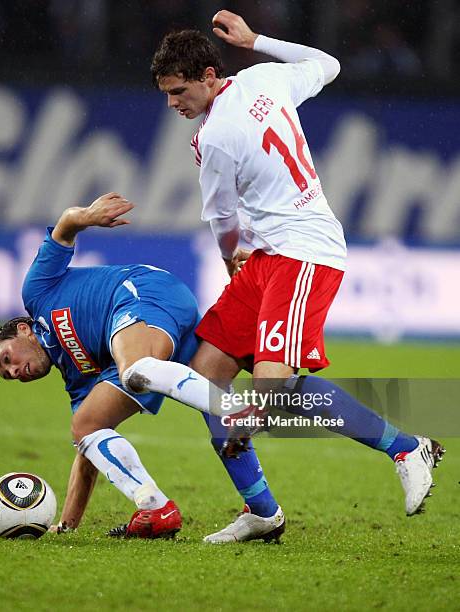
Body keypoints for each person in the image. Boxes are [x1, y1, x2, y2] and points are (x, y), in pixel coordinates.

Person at [115, 9, 445, 543]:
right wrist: (258, 41)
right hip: (271, 256)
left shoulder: (214, 138)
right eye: (166, 95)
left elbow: (223, 220)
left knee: (273, 384)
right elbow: (328, 63)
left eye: (179, 92)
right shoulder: (264, 76)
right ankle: (262, 511)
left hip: (304, 253)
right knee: (207, 374)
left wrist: (228, 260)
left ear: (206, 77)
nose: (173, 104)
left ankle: (406, 447)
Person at [0, 192, 283, 541]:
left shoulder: (37, 292)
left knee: (136, 368)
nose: (15, 371)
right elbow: (88, 453)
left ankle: (236, 409)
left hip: (144, 292)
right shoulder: (77, 381)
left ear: (22, 329)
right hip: (153, 335)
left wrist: (87, 216)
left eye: (8, 360)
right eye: (8, 375)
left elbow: (63, 229)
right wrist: (67, 524)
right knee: (87, 425)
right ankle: (216, 508)